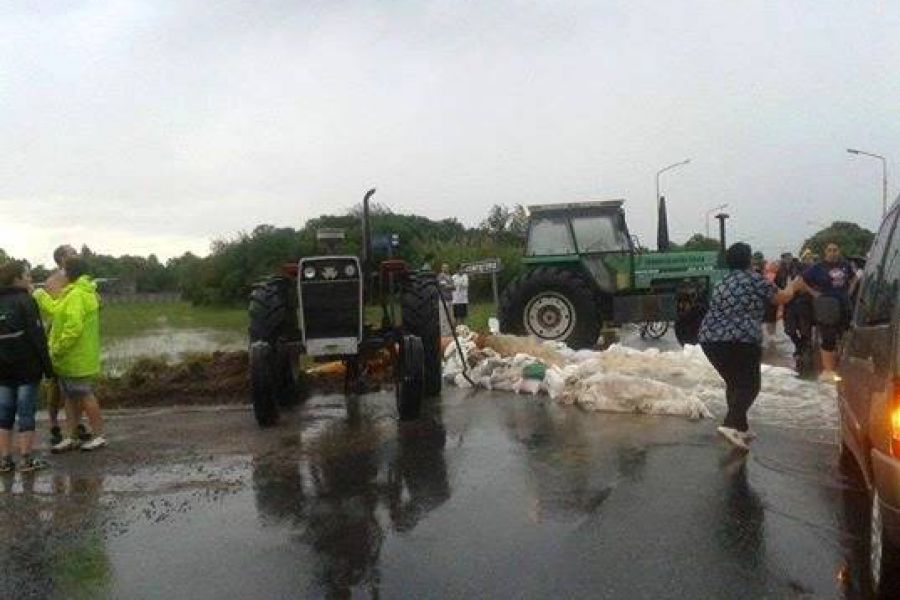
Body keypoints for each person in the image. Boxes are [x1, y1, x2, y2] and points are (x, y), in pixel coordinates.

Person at [699, 243, 797, 451]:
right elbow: (781, 297)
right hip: (741, 340)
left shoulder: (722, 282)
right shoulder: (754, 279)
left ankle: (741, 427)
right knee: (750, 385)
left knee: (734, 383)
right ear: (748, 260)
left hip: (710, 340)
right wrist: (795, 286)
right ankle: (729, 424)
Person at [33, 244, 92, 445]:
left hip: (76, 336)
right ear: (61, 259)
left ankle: (75, 424)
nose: (76, 254)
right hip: (58, 334)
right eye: (71, 253)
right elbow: (57, 310)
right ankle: (54, 425)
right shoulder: (53, 281)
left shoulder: (78, 280)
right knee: (56, 387)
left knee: (75, 386)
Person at [49, 257, 106, 452]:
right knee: (70, 398)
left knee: (84, 395)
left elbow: (73, 327)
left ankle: (98, 435)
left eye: (64, 270)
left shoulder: (77, 295)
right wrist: (41, 296)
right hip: (71, 358)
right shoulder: (79, 293)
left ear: (70, 273)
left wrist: (57, 348)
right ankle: (71, 436)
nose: (61, 274)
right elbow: (57, 312)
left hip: (76, 357)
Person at [0, 261, 53, 472]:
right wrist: (49, 369)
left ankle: (4, 460)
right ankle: (27, 459)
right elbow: (37, 337)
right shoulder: (26, 301)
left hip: (1, 370)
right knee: (25, 412)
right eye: (27, 275)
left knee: (3, 414)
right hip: (26, 368)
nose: (30, 279)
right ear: (17, 279)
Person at [800, 242, 858, 382]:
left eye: (835, 250)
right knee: (828, 337)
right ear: (825, 252)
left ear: (839, 251)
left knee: (845, 333)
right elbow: (801, 280)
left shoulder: (845, 264)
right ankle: (828, 370)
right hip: (826, 305)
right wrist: (814, 293)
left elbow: (855, 277)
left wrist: (849, 291)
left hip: (844, 304)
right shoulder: (817, 267)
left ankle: (841, 366)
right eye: (830, 250)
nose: (833, 253)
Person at [783, 250, 815, 374]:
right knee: (789, 330)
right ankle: (799, 346)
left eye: (810, 258)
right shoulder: (782, 271)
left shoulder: (807, 270)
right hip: (789, 304)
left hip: (804, 304)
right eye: (785, 258)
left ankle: (805, 354)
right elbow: (777, 285)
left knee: (805, 330)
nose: (787, 260)